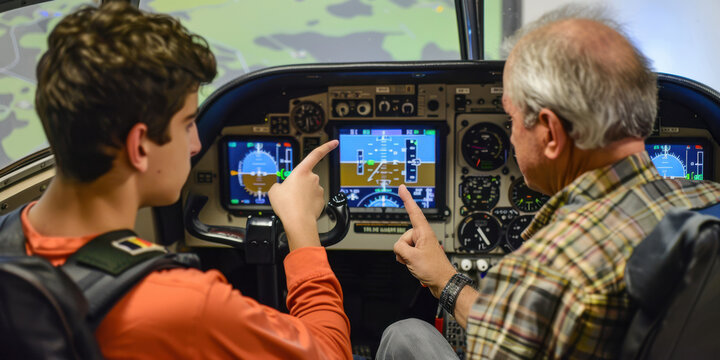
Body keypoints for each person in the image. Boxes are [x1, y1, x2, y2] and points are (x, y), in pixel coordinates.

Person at [377, 5, 720, 360]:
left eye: (511, 119)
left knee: (404, 334)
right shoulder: (711, 203)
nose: (509, 138)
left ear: (551, 133)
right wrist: (445, 280)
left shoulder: (544, 271)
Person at [20, 2, 350, 359]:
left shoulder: (9, 240)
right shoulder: (188, 306)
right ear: (139, 147)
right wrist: (302, 229)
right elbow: (330, 353)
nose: (196, 145)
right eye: (188, 123)